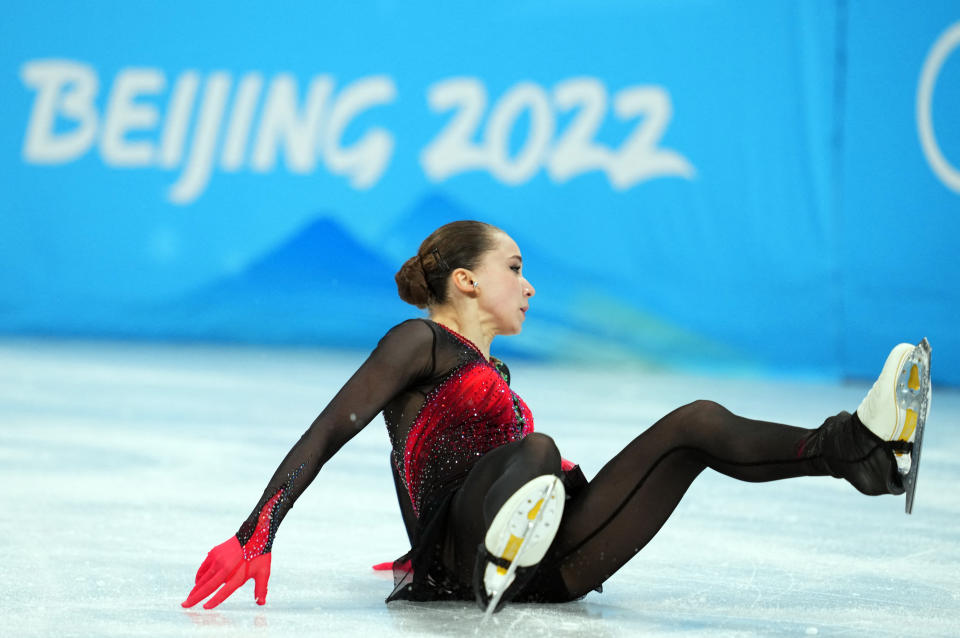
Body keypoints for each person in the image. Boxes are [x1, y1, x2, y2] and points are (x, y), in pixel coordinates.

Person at [181, 220, 931, 614]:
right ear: (468, 280)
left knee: (695, 420)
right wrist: (257, 532)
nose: (530, 287)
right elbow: (332, 427)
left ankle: (859, 451)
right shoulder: (419, 343)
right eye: (515, 269)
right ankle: (505, 542)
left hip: (550, 557)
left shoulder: (497, 374)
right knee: (536, 448)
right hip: (463, 565)